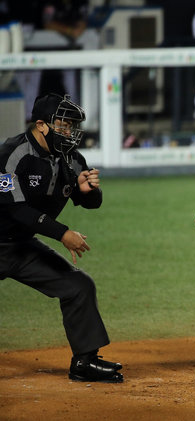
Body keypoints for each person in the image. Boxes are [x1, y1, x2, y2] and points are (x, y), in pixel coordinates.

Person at [0, 93, 123, 383]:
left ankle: (85, 362)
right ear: (41, 125)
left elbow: (91, 203)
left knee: (78, 285)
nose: (69, 131)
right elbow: (15, 208)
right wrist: (62, 233)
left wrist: (89, 190)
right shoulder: (12, 153)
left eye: (71, 125)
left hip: (21, 247)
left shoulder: (70, 158)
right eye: (63, 124)